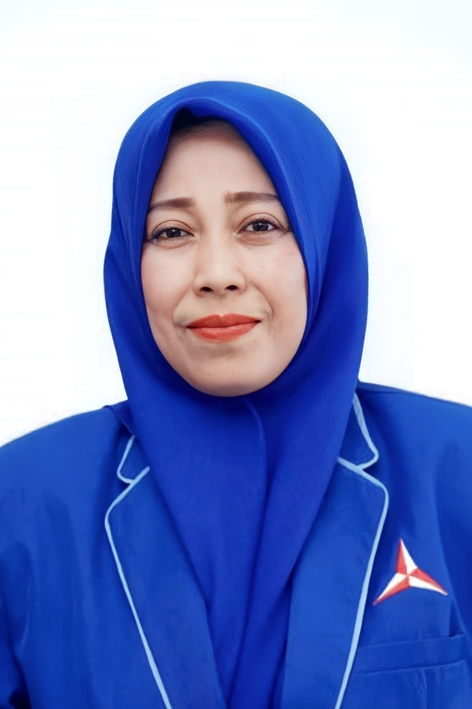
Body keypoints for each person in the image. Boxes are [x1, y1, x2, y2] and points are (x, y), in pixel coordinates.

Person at [0, 80, 471, 709]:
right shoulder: (23, 498)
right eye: (172, 232)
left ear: (323, 243)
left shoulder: (456, 469)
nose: (217, 275)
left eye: (259, 224)